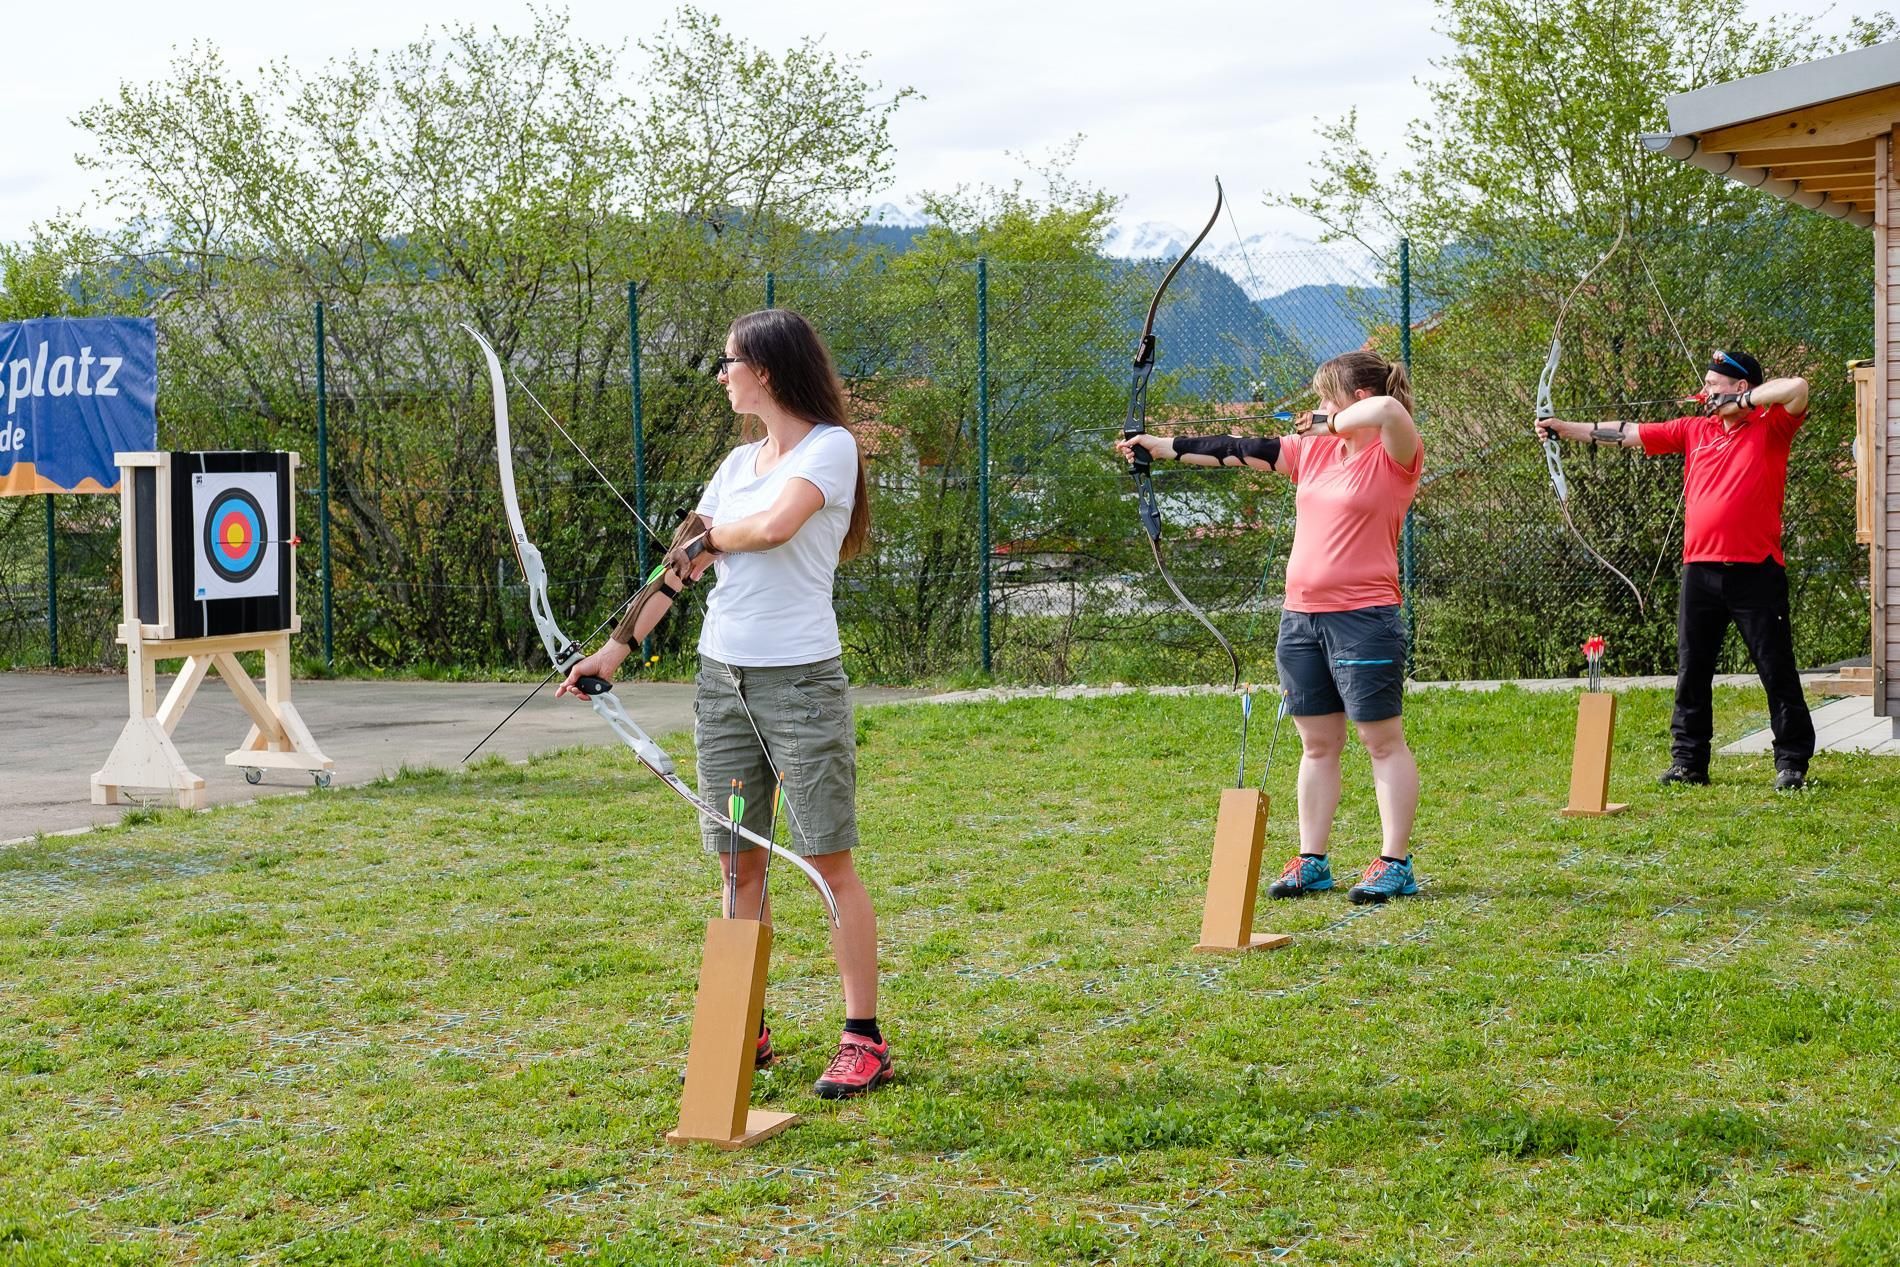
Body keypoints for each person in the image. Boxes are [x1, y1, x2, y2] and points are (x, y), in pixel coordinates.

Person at [559, 308, 890, 1098]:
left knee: (825, 861)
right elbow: (680, 568)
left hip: (800, 683)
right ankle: (749, 1022)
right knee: (738, 862)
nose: (721, 374)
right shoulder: (737, 463)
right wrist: (615, 650)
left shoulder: (829, 448)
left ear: (767, 369)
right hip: (723, 683)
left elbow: (775, 529)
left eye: (729, 360)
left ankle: (863, 1036)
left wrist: (712, 535)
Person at [1118, 349, 1425, 904]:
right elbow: (1237, 450)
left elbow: (1389, 411)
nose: (1315, 408)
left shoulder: (1394, 453)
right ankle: (1313, 860)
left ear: (1354, 401)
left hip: (1364, 618)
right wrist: (1159, 448)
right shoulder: (1313, 453)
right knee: (1316, 744)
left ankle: (1394, 862)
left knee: (1381, 742)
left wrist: (1330, 423)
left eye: (1325, 397)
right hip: (1301, 617)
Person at [1537, 349, 1815, 791]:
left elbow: (1797, 387)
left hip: (1756, 570)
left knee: (1775, 667)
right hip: (1700, 569)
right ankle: (1688, 762)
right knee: (1692, 669)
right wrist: (1564, 428)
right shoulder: (1694, 429)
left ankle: (1792, 763)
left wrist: (1741, 407)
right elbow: (1628, 433)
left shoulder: (1771, 426)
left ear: (1740, 387)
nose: (1705, 392)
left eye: (1713, 385)